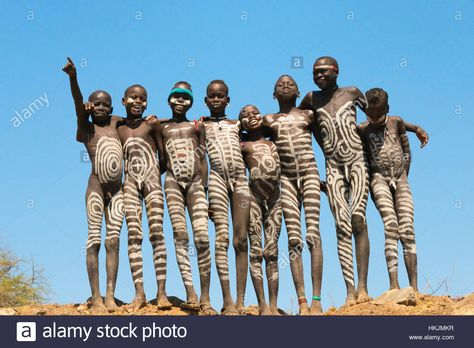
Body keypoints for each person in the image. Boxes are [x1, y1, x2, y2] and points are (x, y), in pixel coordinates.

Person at [62, 57, 124, 313]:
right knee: (94, 241)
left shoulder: (118, 124)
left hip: (118, 190)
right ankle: (95, 296)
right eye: (95, 103)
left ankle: (111, 295)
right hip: (96, 188)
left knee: (114, 241)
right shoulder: (86, 129)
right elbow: (77, 104)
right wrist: (73, 78)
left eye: (104, 104)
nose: (99, 107)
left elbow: (139, 122)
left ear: (110, 108)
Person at [263, 75, 323, 315]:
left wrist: (329, 177)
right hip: (285, 179)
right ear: (273, 94)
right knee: (294, 239)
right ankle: (301, 302)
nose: (285, 85)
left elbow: (324, 144)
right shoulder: (268, 120)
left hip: (309, 173)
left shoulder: (308, 116)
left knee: (313, 234)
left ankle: (317, 300)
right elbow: (246, 133)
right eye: (279, 84)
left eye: (290, 83)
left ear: (299, 92)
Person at [359, 87, 428, 292]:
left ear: (387, 109)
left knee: (407, 229)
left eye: (379, 114)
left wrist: (403, 174)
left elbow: (406, 150)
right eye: (370, 115)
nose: (375, 119)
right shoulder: (363, 129)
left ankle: (413, 287)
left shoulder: (396, 122)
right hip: (378, 179)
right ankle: (393, 285)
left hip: (401, 179)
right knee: (391, 225)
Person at [159, 82, 216, 315]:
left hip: (195, 184)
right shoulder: (160, 127)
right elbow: (162, 160)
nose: (180, 101)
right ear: (169, 100)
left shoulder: (197, 126)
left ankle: (206, 296)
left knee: (202, 238)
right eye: (176, 96)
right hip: (172, 182)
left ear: (191, 102)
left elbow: (203, 159)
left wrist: (206, 190)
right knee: (180, 235)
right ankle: (190, 291)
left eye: (185, 97)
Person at [116, 84, 172, 310]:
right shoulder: (118, 127)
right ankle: (139, 293)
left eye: (142, 98)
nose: (138, 102)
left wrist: (150, 175)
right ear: (124, 101)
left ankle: (161, 293)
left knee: (157, 233)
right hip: (129, 184)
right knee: (134, 235)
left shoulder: (152, 125)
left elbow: (164, 157)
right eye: (133, 98)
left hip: (152, 183)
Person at [200, 80, 250, 315]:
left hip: (240, 179)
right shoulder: (200, 126)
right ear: (206, 100)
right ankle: (227, 300)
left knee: (241, 240)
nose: (216, 99)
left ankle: (241, 300)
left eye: (221, 96)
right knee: (221, 238)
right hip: (216, 179)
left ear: (228, 100)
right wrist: (204, 192)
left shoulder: (237, 125)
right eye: (212, 96)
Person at [240, 105, 282, 315]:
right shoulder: (243, 144)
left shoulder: (273, 141)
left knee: (272, 251)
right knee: (256, 251)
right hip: (253, 198)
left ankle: (274, 305)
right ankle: (262, 304)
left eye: (255, 113)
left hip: (275, 197)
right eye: (245, 116)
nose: (252, 117)